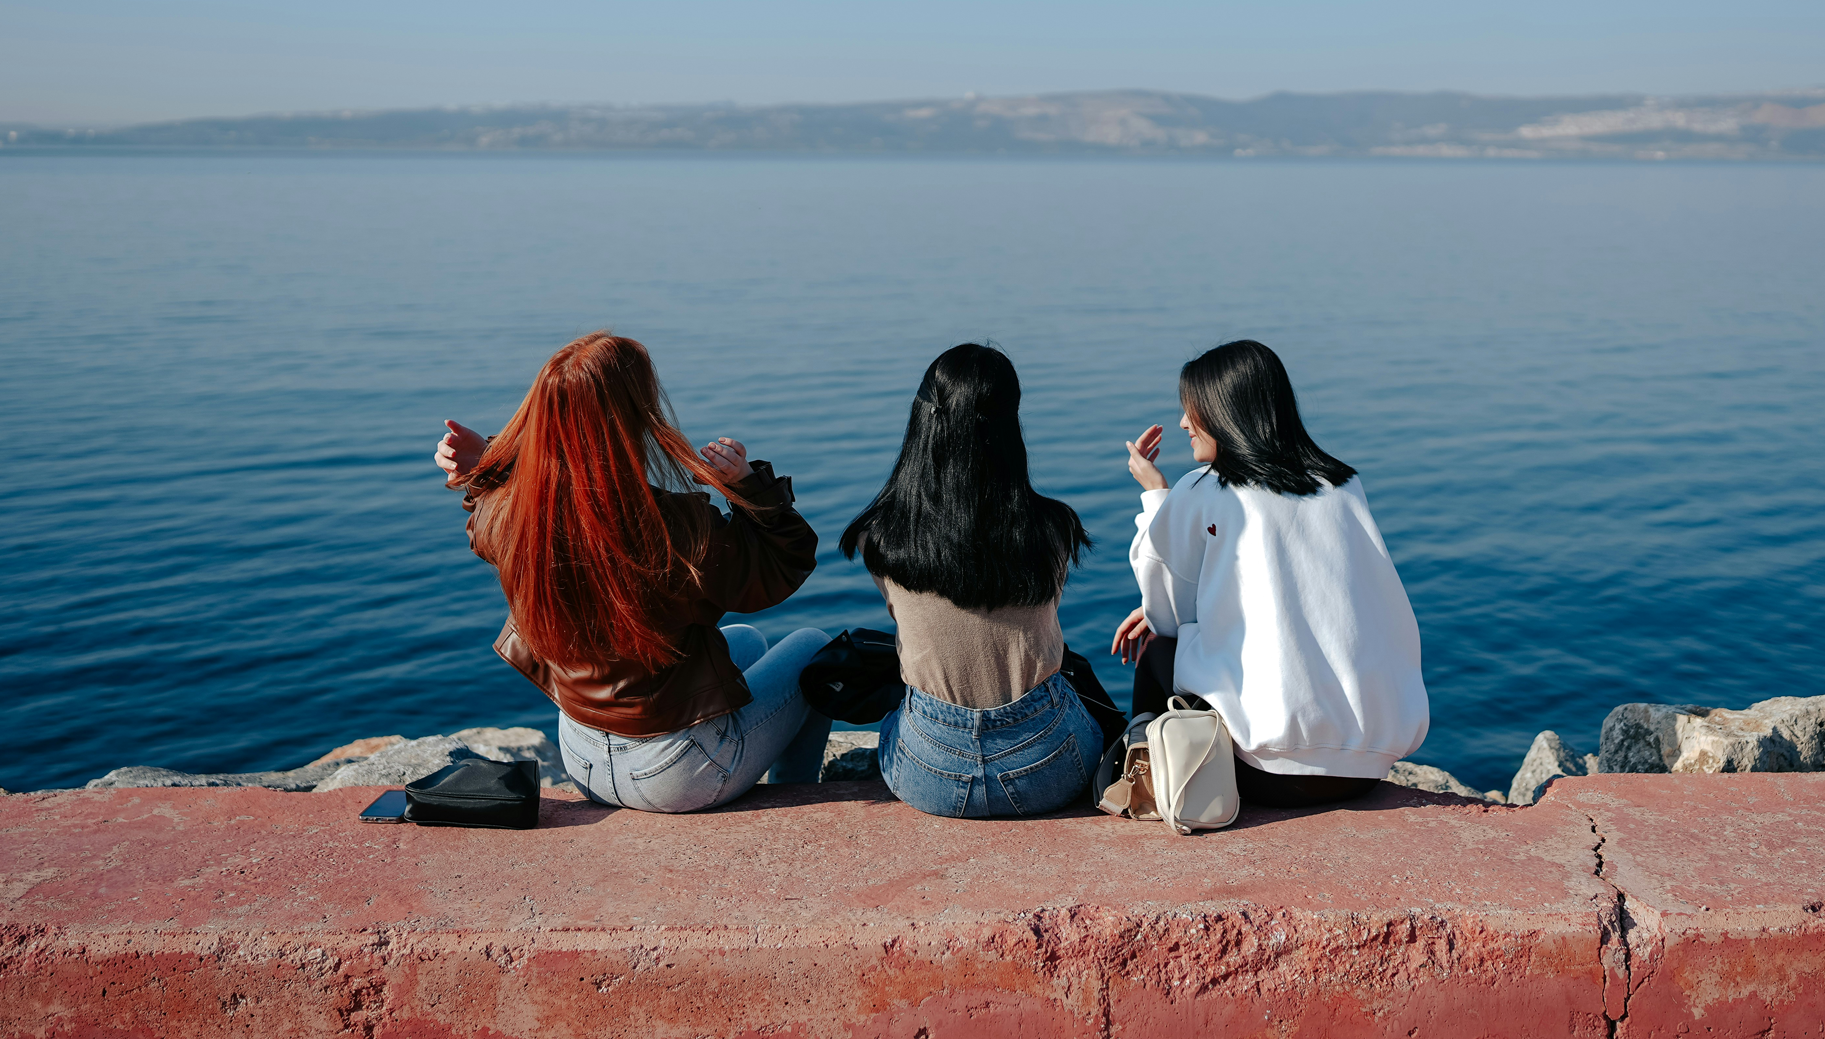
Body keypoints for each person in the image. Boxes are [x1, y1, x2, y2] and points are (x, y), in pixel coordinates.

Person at [434, 332, 831, 813]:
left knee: (746, 640)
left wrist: (490, 464)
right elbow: (780, 567)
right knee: (814, 649)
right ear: (636, 414)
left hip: (583, 760)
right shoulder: (675, 529)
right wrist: (747, 488)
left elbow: (502, 502)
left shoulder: (508, 513)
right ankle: (803, 797)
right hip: (675, 775)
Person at [1111, 340, 1428, 808]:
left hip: (1264, 774)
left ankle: (1151, 782)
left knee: (1157, 651)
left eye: (1191, 410)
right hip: (1367, 769)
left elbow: (1166, 616)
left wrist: (1156, 497)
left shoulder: (1205, 489)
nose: (1183, 423)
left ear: (1226, 410)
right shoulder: (1341, 485)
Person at [840, 344, 1101, 818]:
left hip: (927, 773)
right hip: (1049, 767)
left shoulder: (877, 536)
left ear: (923, 419)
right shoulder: (1053, 527)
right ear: (1009, 425)